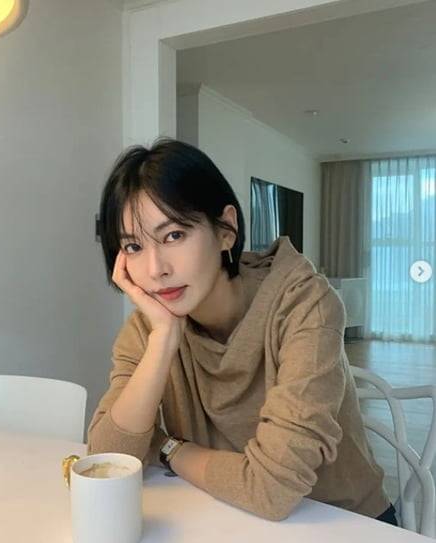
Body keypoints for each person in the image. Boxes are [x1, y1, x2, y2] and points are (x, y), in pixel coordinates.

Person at [87, 138, 397, 524]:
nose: (155, 270)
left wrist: (168, 449)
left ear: (226, 229)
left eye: (174, 235)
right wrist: (163, 340)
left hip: (344, 523)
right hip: (229, 515)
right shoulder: (151, 326)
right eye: (133, 246)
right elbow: (106, 461)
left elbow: (270, 491)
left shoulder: (304, 305)